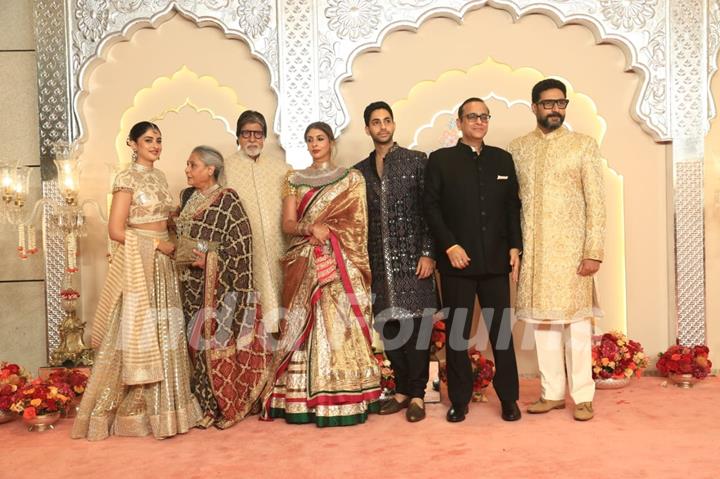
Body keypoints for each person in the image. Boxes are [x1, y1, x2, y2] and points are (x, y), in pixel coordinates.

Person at [72, 121, 201, 440]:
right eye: (148, 140)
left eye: (159, 139)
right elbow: (115, 230)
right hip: (142, 262)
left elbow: (165, 221)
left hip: (165, 264)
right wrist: (157, 244)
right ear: (132, 144)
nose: (156, 145)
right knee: (135, 329)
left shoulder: (159, 177)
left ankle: (168, 410)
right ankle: (131, 411)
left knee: (165, 330)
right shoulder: (126, 178)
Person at [260, 121, 381, 426]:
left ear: (331, 141)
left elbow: (357, 225)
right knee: (302, 324)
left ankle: (344, 394)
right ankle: (300, 397)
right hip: (305, 260)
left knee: (339, 324)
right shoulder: (293, 179)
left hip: (340, 262)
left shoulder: (351, 178)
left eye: (320, 139)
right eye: (309, 140)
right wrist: (309, 228)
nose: (314, 144)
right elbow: (287, 224)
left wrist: (330, 235)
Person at [508, 78, 605, 421]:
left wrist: (593, 250)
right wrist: (514, 247)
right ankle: (551, 393)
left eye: (560, 103)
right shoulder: (517, 148)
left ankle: (582, 396)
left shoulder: (583, 145)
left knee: (577, 325)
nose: (554, 109)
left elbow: (596, 200)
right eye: (548, 104)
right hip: (534, 253)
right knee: (543, 325)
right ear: (533, 106)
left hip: (572, 253)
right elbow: (510, 205)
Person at [424, 98, 522, 423]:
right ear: (460, 122)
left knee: (501, 336)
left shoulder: (502, 160)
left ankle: (509, 399)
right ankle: (460, 401)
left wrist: (514, 248)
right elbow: (431, 209)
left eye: (483, 116)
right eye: (472, 116)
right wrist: (449, 245)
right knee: (457, 337)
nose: (478, 121)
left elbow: (511, 208)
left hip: (495, 263)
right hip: (457, 265)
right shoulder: (440, 161)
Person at [176, 145, 271, 429]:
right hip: (191, 284)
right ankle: (205, 407)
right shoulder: (188, 198)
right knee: (195, 347)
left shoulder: (228, 201)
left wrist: (211, 260)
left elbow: (242, 247)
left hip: (220, 288)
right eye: (188, 164)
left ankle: (229, 405)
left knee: (217, 345)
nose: (187, 170)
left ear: (210, 170)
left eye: (192, 165)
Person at [354, 101, 437, 423]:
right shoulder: (358, 172)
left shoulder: (416, 161)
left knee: (417, 330)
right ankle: (402, 391)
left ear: (393, 124)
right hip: (377, 264)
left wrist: (428, 252)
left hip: (414, 262)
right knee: (389, 329)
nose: (383, 127)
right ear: (367, 128)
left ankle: (417, 393)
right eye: (376, 122)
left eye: (387, 121)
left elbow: (429, 209)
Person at [223, 111, 290, 335]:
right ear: (238, 137)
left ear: (264, 137)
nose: (252, 139)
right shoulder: (226, 169)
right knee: (253, 312)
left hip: (280, 245)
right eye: (246, 134)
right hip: (246, 252)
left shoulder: (281, 168)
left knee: (284, 305)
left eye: (258, 134)